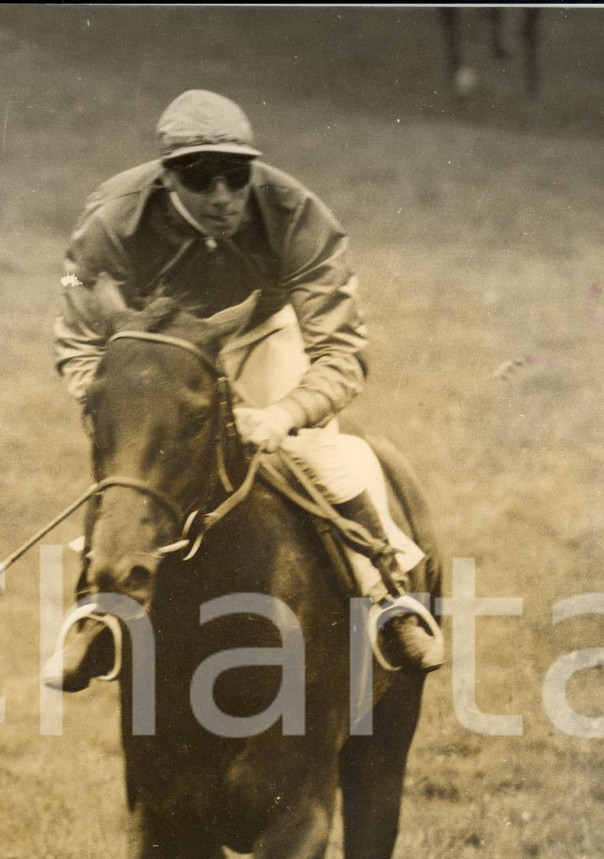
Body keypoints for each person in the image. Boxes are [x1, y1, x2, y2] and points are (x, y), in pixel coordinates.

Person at [47, 89, 443, 690]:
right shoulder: (112, 217)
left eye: (236, 176)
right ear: (166, 177)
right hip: (163, 350)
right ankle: (96, 614)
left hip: (259, 333)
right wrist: (111, 402)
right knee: (131, 465)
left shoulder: (296, 213)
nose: (222, 197)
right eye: (199, 179)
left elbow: (340, 352)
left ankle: (386, 593)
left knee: (317, 450)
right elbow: (78, 333)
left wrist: (284, 414)